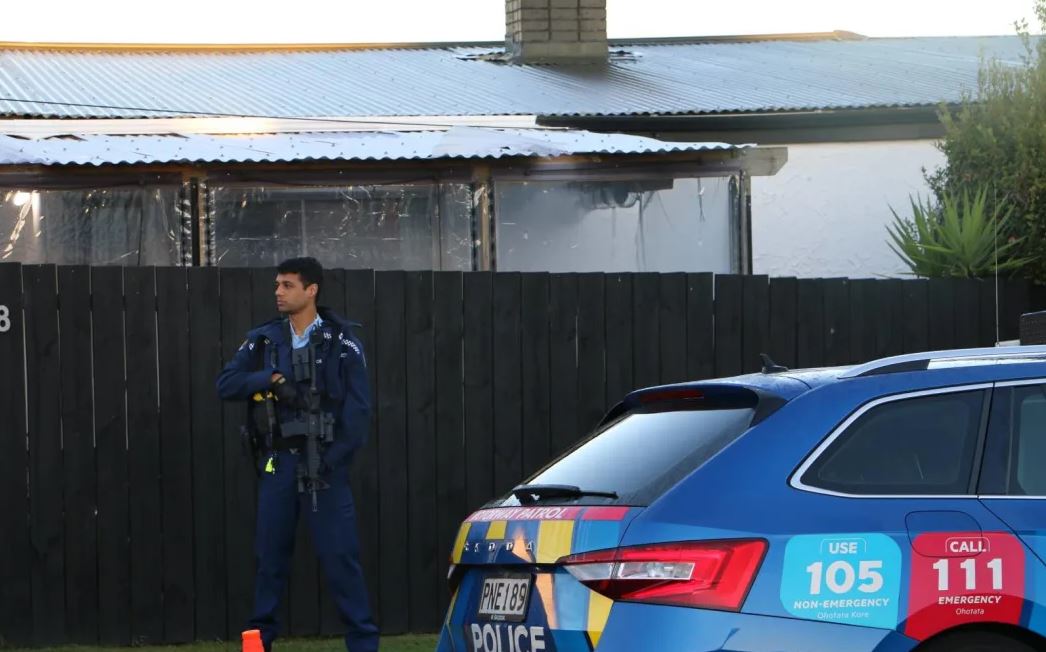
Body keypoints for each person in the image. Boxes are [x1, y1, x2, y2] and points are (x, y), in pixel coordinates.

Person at [216, 257, 378, 652]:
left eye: (287, 285)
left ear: (311, 290)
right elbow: (226, 383)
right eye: (277, 284)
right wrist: (270, 379)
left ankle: (363, 644)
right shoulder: (264, 340)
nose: (278, 292)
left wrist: (332, 461)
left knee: (341, 559)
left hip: (325, 464)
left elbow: (358, 413)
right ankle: (258, 643)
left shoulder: (342, 341)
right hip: (280, 462)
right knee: (269, 558)